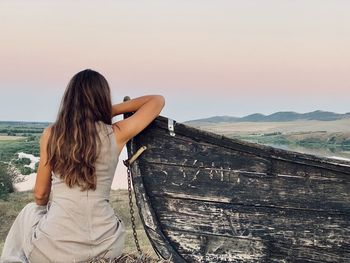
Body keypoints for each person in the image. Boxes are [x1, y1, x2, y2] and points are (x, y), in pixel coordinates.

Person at [0, 69, 165, 262]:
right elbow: (157, 100)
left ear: (69, 100)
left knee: (30, 211)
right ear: (102, 98)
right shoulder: (116, 133)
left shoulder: (51, 135)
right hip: (106, 246)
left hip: (54, 250)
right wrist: (107, 110)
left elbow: (40, 195)